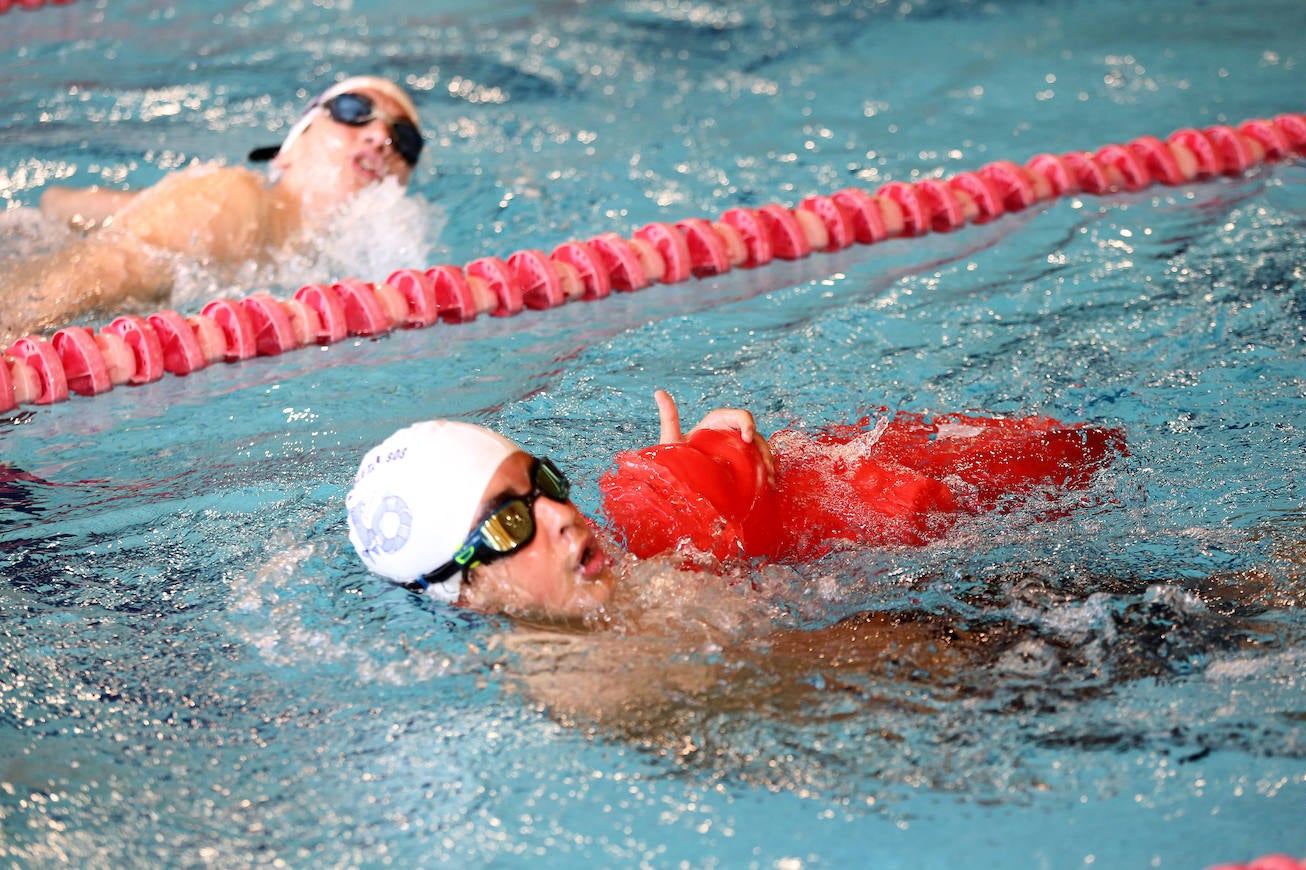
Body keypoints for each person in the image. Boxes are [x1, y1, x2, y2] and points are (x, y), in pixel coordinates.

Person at [345, 390, 1126, 622]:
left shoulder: (611, 594)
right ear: (463, 589)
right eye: (511, 521)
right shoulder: (602, 689)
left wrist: (725, 494)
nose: (561, 515)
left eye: (543, 484)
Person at [0, 75, 424, 344]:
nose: (380, 137)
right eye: (354, 111)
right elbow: (71, 284)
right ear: (289, 151)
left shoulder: (326, 262)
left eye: (404, 139)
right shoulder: (230, 199)